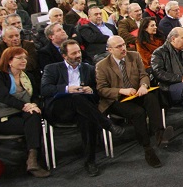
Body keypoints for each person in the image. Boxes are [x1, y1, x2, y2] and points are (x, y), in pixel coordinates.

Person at [40, 39, 126, 177]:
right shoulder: (52, 68)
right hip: (60, 109)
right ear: (64, 56)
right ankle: (107, 125)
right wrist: (68, 89)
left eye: (79, 51)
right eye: (74, 53)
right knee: (75, 97)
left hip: (84, 109)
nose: (78, 55)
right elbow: (45, 89)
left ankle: (90, 161)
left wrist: (90, 90)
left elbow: (98, 91)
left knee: (87, 119)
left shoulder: (88, 68)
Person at [95, 36, 171, 168]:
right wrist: (120, 91)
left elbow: (144, 75)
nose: (123, 48)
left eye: (123, 44)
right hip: (117, 100)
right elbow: (101, 90)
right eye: (119, 46)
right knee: (138, 112)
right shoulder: (102, 66)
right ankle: (148, 149)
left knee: (151, 97)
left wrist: (143, 86)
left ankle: (159, 133)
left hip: (136, 93)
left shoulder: (134, 56)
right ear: (110, 50)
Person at [0, 47, 50, 178]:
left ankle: (32, 158)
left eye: (25, 58)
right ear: (9, 61)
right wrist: (25, 106)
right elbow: (3, 97)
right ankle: (33, 159)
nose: (24, 61)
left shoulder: (28, 75)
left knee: (34, 117)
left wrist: (33, 104)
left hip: (26, 113)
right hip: (5, 117)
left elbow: (36, 95)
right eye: (20, 58)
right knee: (33, 123)